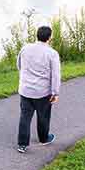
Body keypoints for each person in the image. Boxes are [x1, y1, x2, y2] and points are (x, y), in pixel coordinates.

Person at [16, 25, 61, 154]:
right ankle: (44, 138)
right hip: (42, 92)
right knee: (43, 117)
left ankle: (22, 144)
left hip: (25, 90)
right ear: (49, 38)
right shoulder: (52, 53)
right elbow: (55, 75)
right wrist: (55, 92)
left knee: (25, 117)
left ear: (37, 35)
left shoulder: (25, 48)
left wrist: (26, 78)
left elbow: (19, 65)